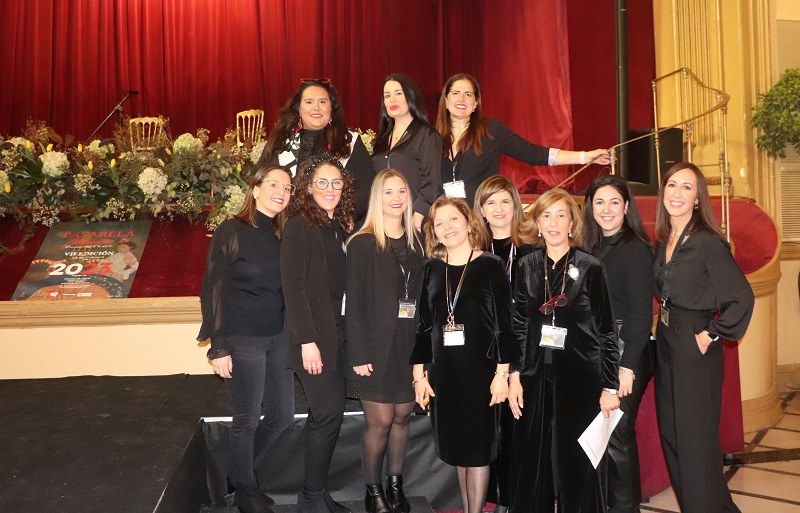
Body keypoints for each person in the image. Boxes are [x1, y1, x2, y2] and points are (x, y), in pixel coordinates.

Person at [508, 188, 620, 513]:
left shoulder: (591, 267)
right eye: (546, 215)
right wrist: (514, 375)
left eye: (561, 215)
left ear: (572, 222)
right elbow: (518, 326)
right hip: (533, 373)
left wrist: (609, 387)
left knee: (579, 460)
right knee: (533, 454)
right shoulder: (527, 266)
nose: (554, 223)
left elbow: (607, 331)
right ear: (537, 223)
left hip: (581, 375)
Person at [652, 162, 754, 513]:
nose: (677, 193)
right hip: (667, 339)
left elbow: (741, 297)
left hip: (693, 343)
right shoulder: (665, 239)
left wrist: (712, 332)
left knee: (694, 442)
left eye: (687, 187)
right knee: (673, 437)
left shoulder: (708, 242)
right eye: (672, 185)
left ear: (698, 198)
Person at [198, 164, 296, 513]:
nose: (281, 192)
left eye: (287, 187)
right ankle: (246, 490)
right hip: (241, 337)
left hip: (278, 336)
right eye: (274, 184)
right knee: (248, 418)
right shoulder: (232, 229)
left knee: (283, 416)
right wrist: (218, 345)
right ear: (255, 189)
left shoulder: (284, 234)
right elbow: (213, 288)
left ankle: (240, 476)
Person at [411, 196, 518, 513]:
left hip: (482, 375)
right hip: (444, 376)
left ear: (469, 223)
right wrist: (418, 377)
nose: (447, 227)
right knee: (458, 451)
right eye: (439, 223)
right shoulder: (431, 268)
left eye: (453, 219)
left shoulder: (491, 266)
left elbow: (504, 326)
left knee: (479, 452)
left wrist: (502, 374)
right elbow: (423, 326)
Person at [345, 169, 425, 513]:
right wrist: (358, 353)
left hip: (409, 344)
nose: (396, 198)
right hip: (374, 347)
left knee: (403, 418)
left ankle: (395, 486)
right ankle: (373, 491)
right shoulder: (362, 243)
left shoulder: (418, 242)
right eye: (389, 192)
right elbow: (353, 305)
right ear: (378, 197)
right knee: (380, 422)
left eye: (401, 191)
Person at [281, 154, 356, 513]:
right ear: (308, 188)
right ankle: (311, 498)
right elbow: (293, 288)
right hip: (313, 337)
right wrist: (306, 341)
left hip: (337, 332)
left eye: (336, 183)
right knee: (327, 414)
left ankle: (316, 492)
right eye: (322, 183)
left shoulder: (335, 226)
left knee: (327, 415)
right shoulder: (299, 226)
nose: (330, 189)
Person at [583, 175, 655, 513]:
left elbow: (641, 314)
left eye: (614, 202)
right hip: (600, 349)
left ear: (627, 207)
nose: (607, 209)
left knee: (617, 434)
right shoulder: (593, 246)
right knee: (604, 434)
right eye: (599, 202)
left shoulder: (634, 248)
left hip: (628, 350)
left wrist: (625, 368)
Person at [435, 73, 611, 205]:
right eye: (455, 93)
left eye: (468, 94)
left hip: (480, 220)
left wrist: (585, 157)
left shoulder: (491, 130)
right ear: (446, 101)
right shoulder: (432, 137)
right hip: (445, 220)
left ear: (475, 104)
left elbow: (534, 153)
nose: (461, 98)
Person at [472, 175, 537, 513]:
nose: (498, 209)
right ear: (481, 209)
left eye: (505, 201)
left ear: (516, 206)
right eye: (490, 202)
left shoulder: (531, 250)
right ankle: (494, 497)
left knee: (515, 427)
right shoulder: (472, 251)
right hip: (482, 352)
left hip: (522, 351)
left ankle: (511, 501)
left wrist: (516, 367)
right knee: (489, 429)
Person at [254, 78, 375, 223]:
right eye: (309, 102)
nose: (316, 107)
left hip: (333, 225)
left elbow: (367, 185)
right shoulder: (281, 140)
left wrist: (348, 215)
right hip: (283, 225)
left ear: (331, 108)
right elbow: (259, 179)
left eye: (322, 102)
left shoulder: (348, 141)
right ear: (299, 108)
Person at [372, 73, 443, 230]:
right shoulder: (383, 138)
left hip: (417, 221)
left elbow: (432, 183)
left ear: (410, 96)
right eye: (387, 96)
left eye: (398, 93)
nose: (392, 100)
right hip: (386, 221)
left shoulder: (426, 134)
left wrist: (416, 219)